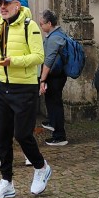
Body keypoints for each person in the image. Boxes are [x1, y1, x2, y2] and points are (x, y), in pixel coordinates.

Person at [0, 0, 51, 198]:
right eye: (0, 3)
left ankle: (41, 167)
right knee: (2, 136)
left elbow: (38, 56)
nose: (3, 7)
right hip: (2, 86)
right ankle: (6, 181)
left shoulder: (29, 26)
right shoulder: (0, 25)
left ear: (17, 5)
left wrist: (12, 62)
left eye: (6, 3)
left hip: (24, 88)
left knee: (23, 135)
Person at [38, 9, 68, 146]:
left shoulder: (54, 38)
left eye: (42, 24)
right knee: (52, 101)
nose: (41, 26)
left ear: (49, 23)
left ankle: (59, 135)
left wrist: (42, 79)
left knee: (55, 103)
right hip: (57, 74)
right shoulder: (58, 34)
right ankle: (53, 124)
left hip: (55, 75)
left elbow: (48, 61)